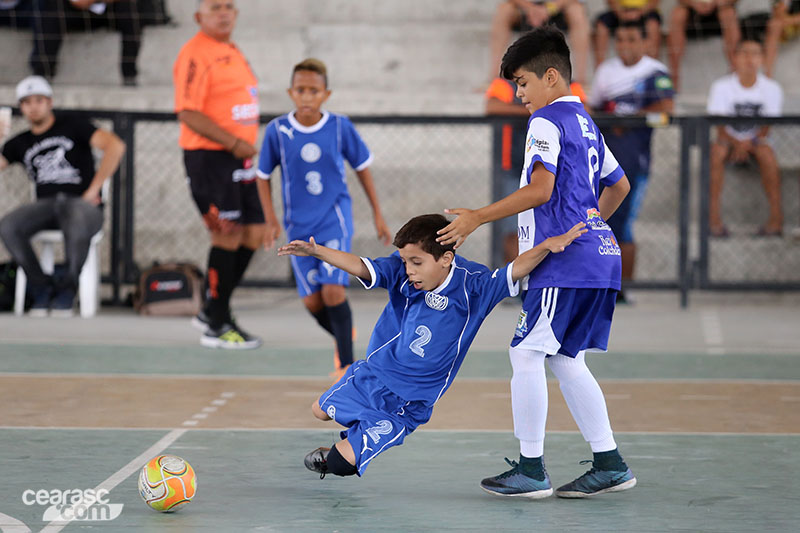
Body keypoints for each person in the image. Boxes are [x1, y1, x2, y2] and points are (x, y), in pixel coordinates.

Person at [437, 26, 636, 499]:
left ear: (551, 77)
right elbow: (619, 186)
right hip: (599, 259)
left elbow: (541, 190)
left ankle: (530, 469)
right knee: (566, 359)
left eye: (523, 83)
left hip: (563, 264)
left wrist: (478, 218)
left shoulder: (545, 121)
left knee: (525, 353)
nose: (520, 94)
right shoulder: (584, 121)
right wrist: (590, 229)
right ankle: (609, 463)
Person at [277, 214, 586, 479]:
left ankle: (353, 443)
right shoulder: (402, 274)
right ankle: (359, 429)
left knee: (339, 464)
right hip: (372, 374)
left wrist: (546, 246)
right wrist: (318, 252)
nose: (409, 269)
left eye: (417, 262)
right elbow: (362, 266)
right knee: (318, 412)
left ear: (445, 259)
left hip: (408, 401)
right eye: (405, 261)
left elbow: (515, 269)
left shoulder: (473, 286)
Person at [256, 58, 391, 380]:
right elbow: (262, 176)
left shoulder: (340, 127)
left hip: (334, 220)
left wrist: (377, 214)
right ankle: (344, 335)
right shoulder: (278, 130)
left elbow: (362, 170)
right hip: (297, 225)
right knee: (312, 301)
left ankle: (346, 365)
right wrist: (270, 220)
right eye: (300, 90)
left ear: (325, 95)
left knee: (333, 292)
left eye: (313, 91)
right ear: (291, 92)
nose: (306, 97)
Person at [173, 0, 266, 349]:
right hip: (211, 157)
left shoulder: (231, 49)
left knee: (254, 231)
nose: (224, 12)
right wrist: (231, 141)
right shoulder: (195, 53)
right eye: (215, 7)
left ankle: (214, 305)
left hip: (240, 159)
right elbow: (187, 112)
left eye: (229, 6)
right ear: (199, 17)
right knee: (225, 234)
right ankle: (217, 322)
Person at [0, 75, 125, 316]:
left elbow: (115, 146)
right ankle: (41, 287)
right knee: (8, 226)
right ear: (21, 107)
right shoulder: (20, 142)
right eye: (26, 102)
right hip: (45, 207)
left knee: (76, 217)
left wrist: (94, 188)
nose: (33, 106)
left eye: (39, 100)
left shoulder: (74, 125)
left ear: (50, 102)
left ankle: (68, 288)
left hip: (81, 204)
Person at [589, 20, 674, 303]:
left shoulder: (656, 71)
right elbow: (593, 107)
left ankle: (623, 288)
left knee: (623, 225)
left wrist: (626, 119)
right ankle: (601, 286)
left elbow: (666, 108)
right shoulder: (605, 71)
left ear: (645, 42)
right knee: (600, 224)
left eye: (631, 39)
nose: (625, 45)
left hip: (635, 163)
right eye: (621, 39)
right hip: (603, 163)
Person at [707, 39, 784, 238]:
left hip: (757, 142)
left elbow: (766, 128)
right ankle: (713, 220)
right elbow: (719, 126)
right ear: (734, 57)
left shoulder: (772, 88)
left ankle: (776, 220)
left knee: (768, 155)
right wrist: (737, 144)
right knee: (715, 152)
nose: (749, 59)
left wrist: (747, 143)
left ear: (763, 59)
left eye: (755, 53)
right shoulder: (721, 86)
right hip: (729, 141)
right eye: (744, 53)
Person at [30, 0, 142, 86]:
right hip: (74, 11)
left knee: (131, 11)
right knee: (51, 10)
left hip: (106, 9)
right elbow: (78, 2)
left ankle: (129, 75)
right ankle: (42, 73)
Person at [488, 0, 591, 85]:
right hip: (525, 7)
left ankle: (581, 80)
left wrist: (548, 9)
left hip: (558, 7)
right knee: (504, 10)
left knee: (577, 12)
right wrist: (530, 8)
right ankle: (495, 78)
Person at [485, 76, 529, 264]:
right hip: (511, 167)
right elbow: (492, 107)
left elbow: (582, 108)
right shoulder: (504, 84)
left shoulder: (557, 79)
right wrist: (534, 110)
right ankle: (517, 283)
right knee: (511, 228)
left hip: (546, 170)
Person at [667, 0, 741, 91]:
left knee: (729, 14)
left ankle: (735, 70)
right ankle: (674, 75)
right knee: (678, 14)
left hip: (720, 7)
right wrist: (694, 3)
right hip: (692, 9)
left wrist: (716, 3)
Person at [593, 0, 662, 66]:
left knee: (653, 25)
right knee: (601, 25)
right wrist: (621, 13)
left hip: (645, 12)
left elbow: (654, 2)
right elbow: (611, 1)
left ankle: (652, 67)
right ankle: (600, 69)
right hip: (619, 12)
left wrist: (639, 12)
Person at [764, 0, 800, 77]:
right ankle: (767, 74)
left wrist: (789, 20)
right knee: (775, 25)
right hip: (789, 27)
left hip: (791, 23)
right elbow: (778, 13)